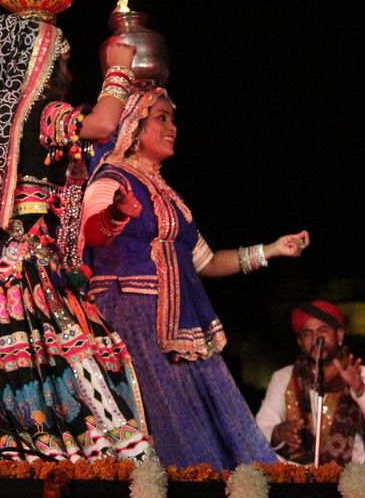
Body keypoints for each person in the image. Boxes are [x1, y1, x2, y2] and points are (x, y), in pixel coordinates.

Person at [0, 10, 151, 461]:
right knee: (73, 361)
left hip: (16, 270)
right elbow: (102, 125)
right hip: (27, 272)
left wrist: (111, 217)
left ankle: (29, 457)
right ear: (39, 62)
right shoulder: (44, 113)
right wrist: (120, 70)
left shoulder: (11, 122)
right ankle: (66, 460)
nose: (69, 71)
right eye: (61, 60)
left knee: (36, 366)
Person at [82, 87, 310, 468]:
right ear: (135, 126)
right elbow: (91, 233)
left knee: (208, 431)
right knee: (167, 427)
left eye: (173, 119)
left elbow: (207, 262)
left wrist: (271, 250)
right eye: (162, 118)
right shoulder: (111, 177)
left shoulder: (172, 198)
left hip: (180, 325)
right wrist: (117, 214)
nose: (172, 127)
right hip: (130, 318)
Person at [256, 301, 365, 465]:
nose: (316, 339)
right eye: (307, 334)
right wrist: (278, 432)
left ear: (339, 336)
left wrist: (360, 390)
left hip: (348, 478)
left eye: (322, 331)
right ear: (300, 342)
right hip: (293, 477)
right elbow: (258, 432)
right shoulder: (283, 377)